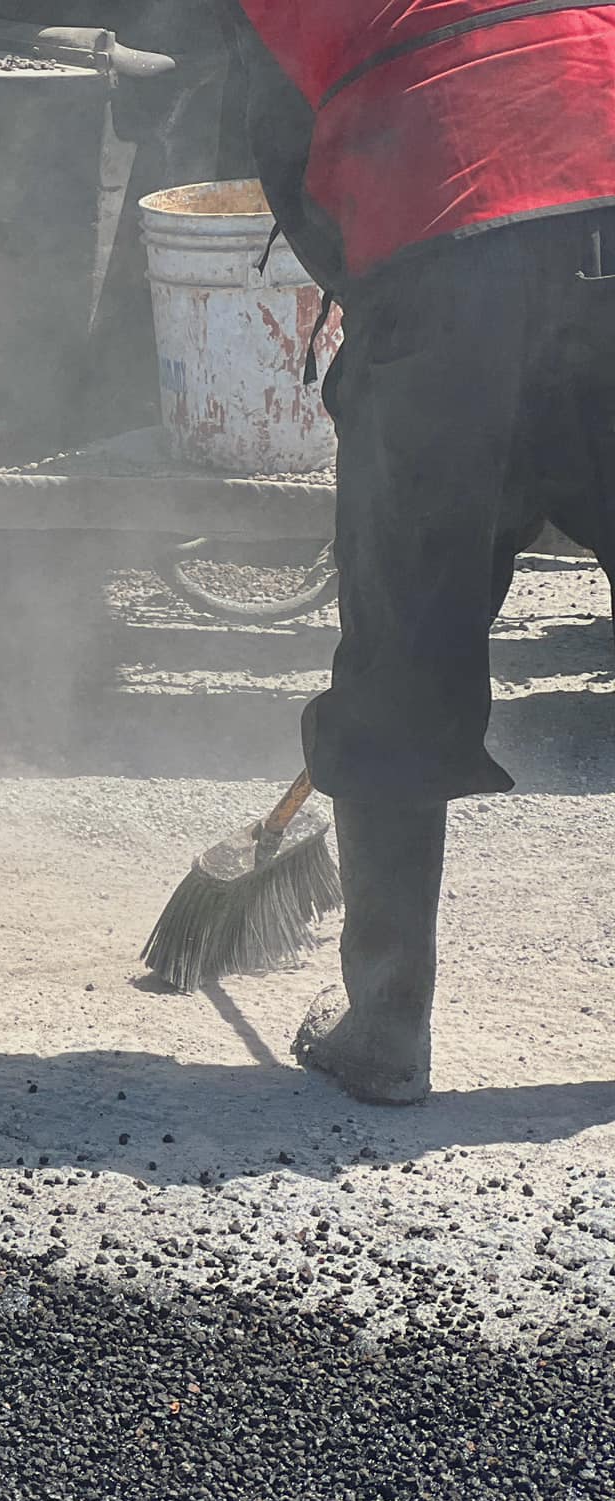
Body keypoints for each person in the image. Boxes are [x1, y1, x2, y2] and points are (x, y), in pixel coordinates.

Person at [223, 3, 615, 1104]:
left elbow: (280, 146)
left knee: (403, 644)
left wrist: (390, 323)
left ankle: (385, 1026)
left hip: (446, 243)